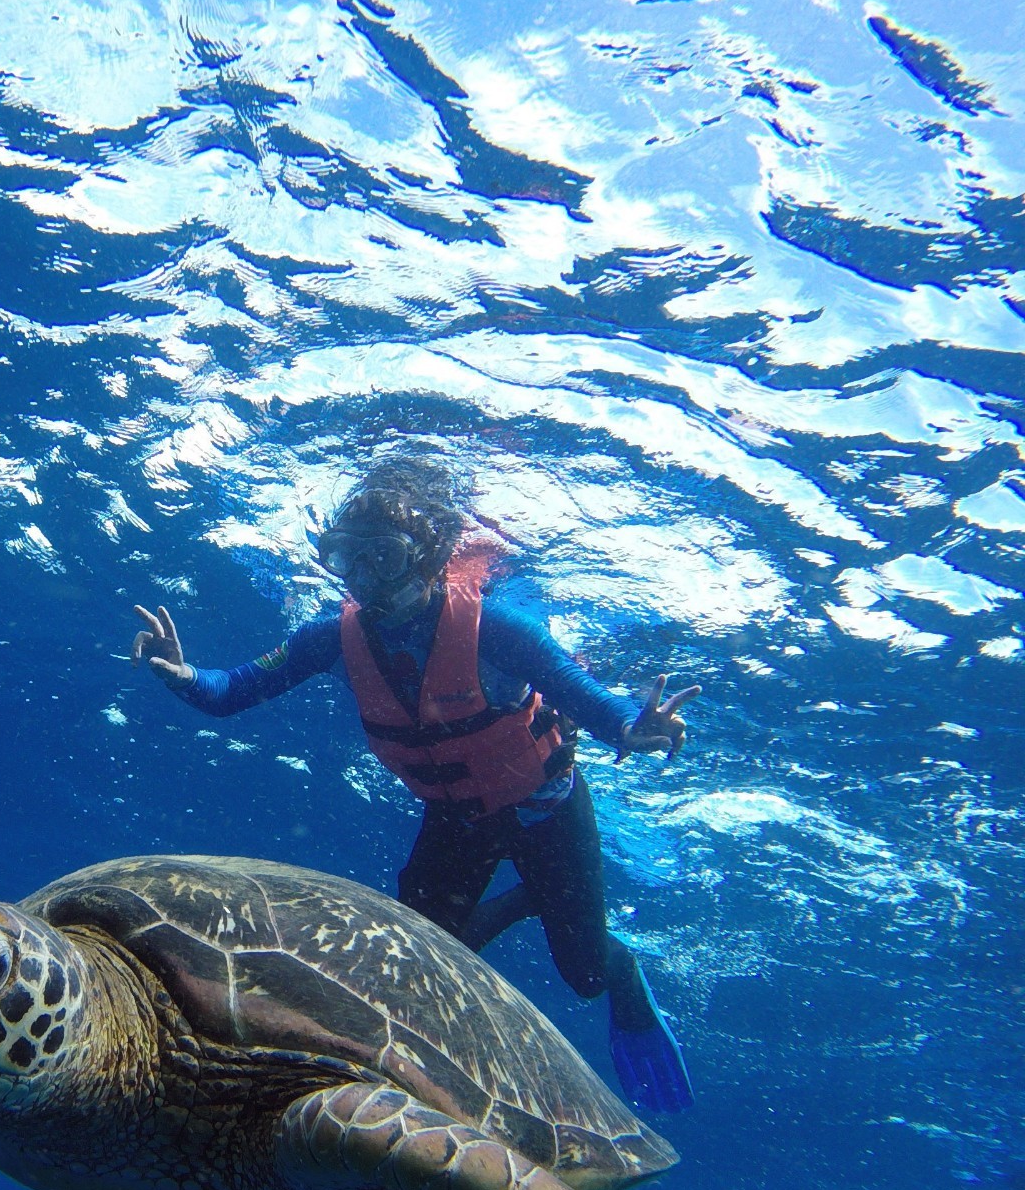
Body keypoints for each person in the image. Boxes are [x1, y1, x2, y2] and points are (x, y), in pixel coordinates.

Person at [129, 457, 700, 1113]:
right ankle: (535, 898)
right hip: (456, 820)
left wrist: (635, 725)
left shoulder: (496, 628)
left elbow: (590, 701)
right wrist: (181, 673)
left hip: (545, 809)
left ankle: (616, 962)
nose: (369, 580)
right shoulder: (335, 639)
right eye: (352, 561)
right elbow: (235, 689)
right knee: (422, 966)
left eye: (386, 558)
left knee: (587, 973)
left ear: (428, 557)